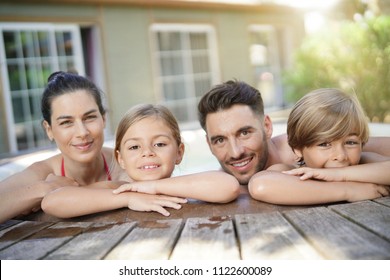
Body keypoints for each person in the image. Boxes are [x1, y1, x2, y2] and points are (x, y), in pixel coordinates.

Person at [0, 71, 185, 223]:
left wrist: (38, 212)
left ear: (103, 119)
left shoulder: (132, 163)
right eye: (66, 122)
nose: (82, 132)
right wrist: (43, 190)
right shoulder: (43, 173)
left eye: (89, 118)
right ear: (49, 129)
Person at [197, 80, 390, 198]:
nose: (236, 152)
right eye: (220, 140)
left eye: (245, 133)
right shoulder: (217, 182)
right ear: (209, 144)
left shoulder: (314, 145)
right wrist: (347, 190)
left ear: (267, 126)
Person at [41, 104, 239, 218]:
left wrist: (154, 186)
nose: (147, 153)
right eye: (134, 147)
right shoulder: (119, 189)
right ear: (121, 159)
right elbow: (52, 201)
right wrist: (128, 198)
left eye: (160, 144)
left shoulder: (187, 186)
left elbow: (228, 186)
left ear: (179, 152)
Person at [248, 88, 389, 204]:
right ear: (298, 149)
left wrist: (339, 175)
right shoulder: (292, 172)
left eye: (350, 142)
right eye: (324, 144)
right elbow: (259, 186)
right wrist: (349, 190)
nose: (340, 156)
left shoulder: (364, 162)